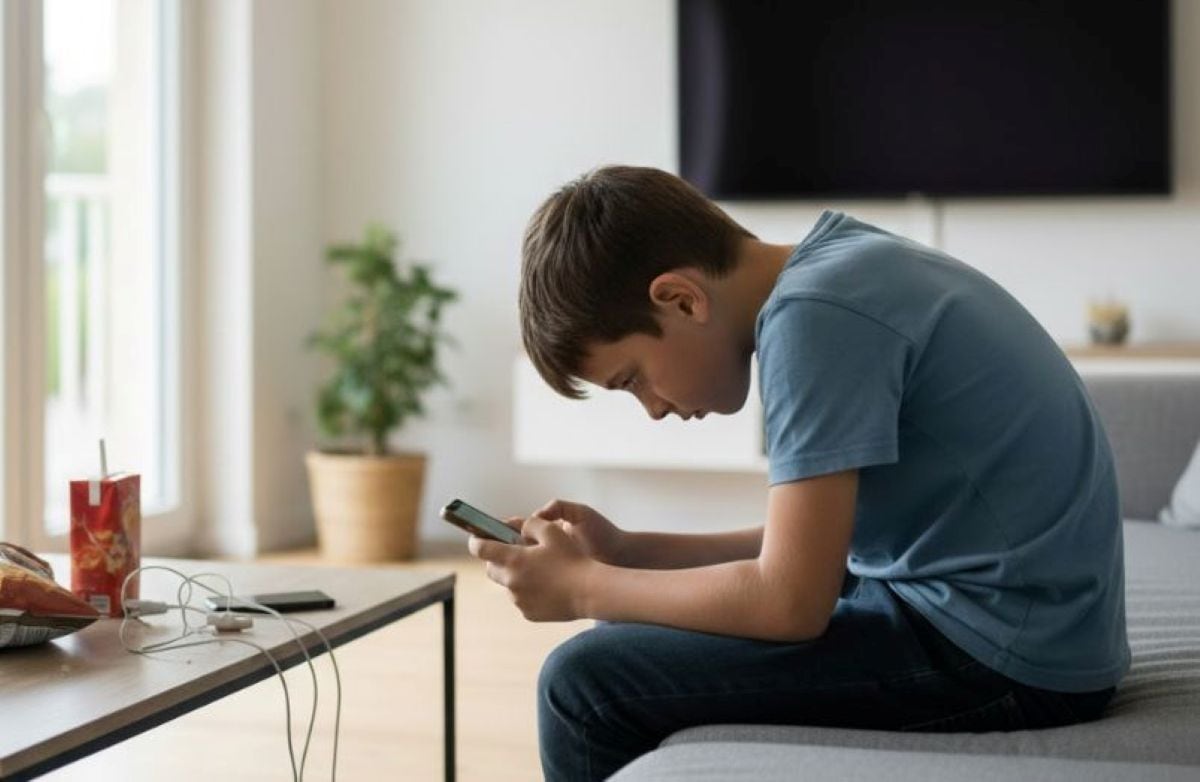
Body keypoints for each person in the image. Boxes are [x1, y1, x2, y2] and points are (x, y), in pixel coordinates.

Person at [467, 165, 1129, 781]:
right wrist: (627, 554)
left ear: (680, 299)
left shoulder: (813, 322)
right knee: (628, 626)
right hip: (1013, 624)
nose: (653, 409)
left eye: (633, 378)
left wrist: (584, 588)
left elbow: (789, 601)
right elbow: (811, 548)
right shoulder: (841, 267)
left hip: (1005, 659)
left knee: (581, 684)